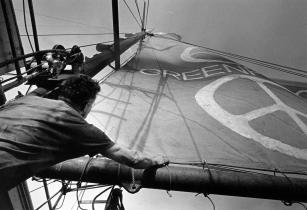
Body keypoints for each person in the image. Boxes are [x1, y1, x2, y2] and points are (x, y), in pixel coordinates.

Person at [0, 74, 169, 191]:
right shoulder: (80, 127)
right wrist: (156, 159)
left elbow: (38, 92)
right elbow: (133, 159)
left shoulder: (23, 101)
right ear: (88, 103)